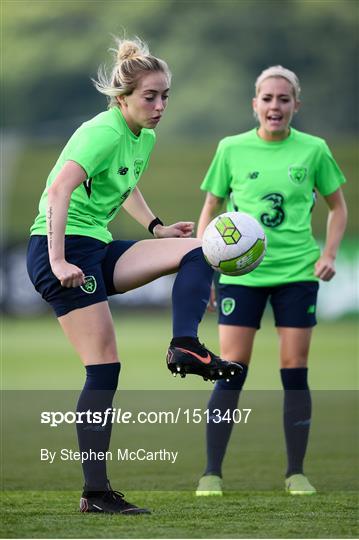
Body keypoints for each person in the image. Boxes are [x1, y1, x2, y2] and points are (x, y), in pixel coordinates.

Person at [26, 36, 242, 515]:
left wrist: (157, 227)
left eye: (165, 95)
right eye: (150, 96)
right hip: (57, 249)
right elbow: (59, 190)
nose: (160, 104)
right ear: (122, 98)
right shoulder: (101, 131)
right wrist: (60, 261)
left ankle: (185, 343)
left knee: (198, 250)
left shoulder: (142, 137)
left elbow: (125, 184)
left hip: (97, 247)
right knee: (104, 367)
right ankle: (96, 493)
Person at [195, 65, 347, 496]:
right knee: (230, 369)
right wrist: (206, 264)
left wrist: (329, 253)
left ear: (296, 105)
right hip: (241, 276)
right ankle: (211, 473)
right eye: (267, 98)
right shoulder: (231, 148)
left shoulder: (315, 150)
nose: (275, 106)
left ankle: (295, 472)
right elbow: (211, 206)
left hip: (297, 273)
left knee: (294, 369)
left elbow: (338, 208)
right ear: (255, 104)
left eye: (284, 99)